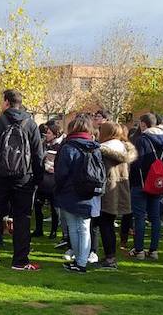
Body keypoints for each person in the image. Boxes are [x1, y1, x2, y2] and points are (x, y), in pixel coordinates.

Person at [0, 90, 45, 270]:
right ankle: (20, 260)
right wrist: (37, 178)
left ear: (6, 102)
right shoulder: (31, 125)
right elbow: (39, 155)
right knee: (23, 217)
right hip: (24, 178)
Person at [54, 115, 103, 273]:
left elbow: (61, 173)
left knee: (74, 227)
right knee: (84, 227)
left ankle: (80, 261)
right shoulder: (95, 147)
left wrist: (59, 188)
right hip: (88, 191)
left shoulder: (68, 147)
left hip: (69, 191)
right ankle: (81, 261)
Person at [128, 113, 163, 261]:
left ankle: (139, 250)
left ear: (143, 124)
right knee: (155, 218)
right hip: (157, 182)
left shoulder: (142, 140)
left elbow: (137, 163)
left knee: (140, 216)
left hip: (141, 182)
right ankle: (154, 250)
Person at [96, 122, 136, 269]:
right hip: (120, 189)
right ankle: (110, 256)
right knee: (109, 223)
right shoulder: (123, 148)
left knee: (105, 225)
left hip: (108, 189)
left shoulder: (103, 150)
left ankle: (110, 258)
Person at [35, 121, 64, 240]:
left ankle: (53, 231)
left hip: (53, 180)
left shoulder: (60, 147)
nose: (46, 135)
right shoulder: (43, 144)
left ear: (55, 134)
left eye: (49, 133)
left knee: (54, 207)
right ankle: (39, 229)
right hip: (42, 179)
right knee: (37, 205)